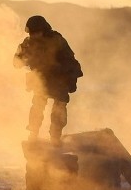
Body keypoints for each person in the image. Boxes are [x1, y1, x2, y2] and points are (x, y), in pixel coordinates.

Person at [14, 15, 83, 146]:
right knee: (38, 106)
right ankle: (33, 134)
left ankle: (55, 137)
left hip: (58, 79)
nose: (33, 35)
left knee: (59, 108)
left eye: (36, 32)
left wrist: (70, 79)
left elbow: (71, 62)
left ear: (43, 30)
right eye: (31, 33)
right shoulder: (28, 43)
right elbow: (16, 62)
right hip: (41, 80)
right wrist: (24, 59)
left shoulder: (57, 40)